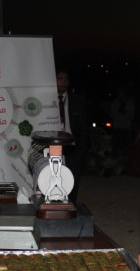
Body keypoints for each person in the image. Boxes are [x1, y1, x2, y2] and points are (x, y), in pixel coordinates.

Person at [56, 67, 89, 202]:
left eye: (66, 79)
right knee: (55, 178)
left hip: (72, 146)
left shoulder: (77, 100)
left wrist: (82, 149)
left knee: (72, 179)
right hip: (54, 145)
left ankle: (71, 205)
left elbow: (83, 126)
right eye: (60, 79)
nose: (63, 82)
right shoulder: (47, 100)